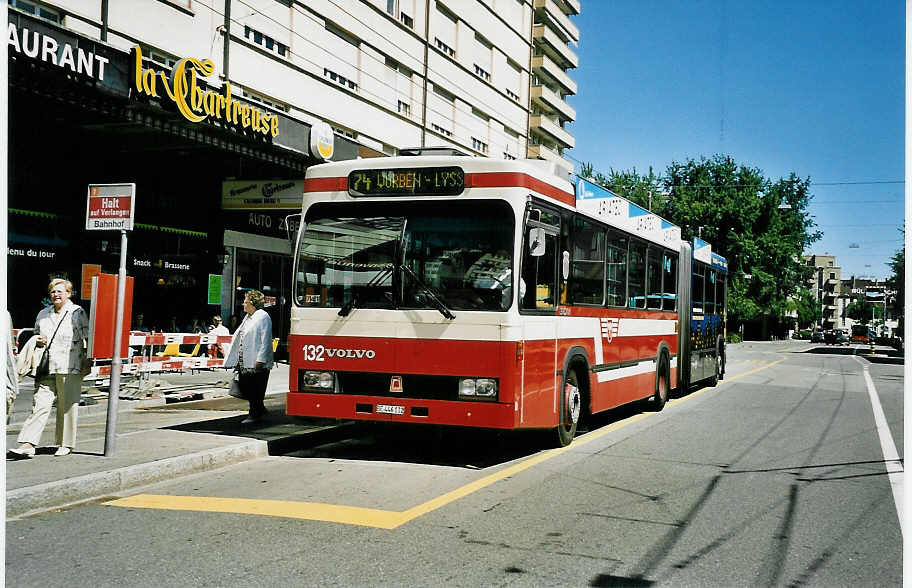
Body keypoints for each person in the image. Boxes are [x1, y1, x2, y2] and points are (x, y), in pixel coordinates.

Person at [9, 279, 90, 458]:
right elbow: (38, 332)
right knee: (39, 405)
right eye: (53, 292)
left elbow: (86, 338)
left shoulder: (77, 312)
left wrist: (87, 362)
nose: (56, 295)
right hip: (46, 365)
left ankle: (65, 443)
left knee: (66, 407)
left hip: (70, 366)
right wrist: (38, 339)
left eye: (60, 291)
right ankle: (27, 444)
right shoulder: (43, 313)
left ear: (69, 293)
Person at [223, 290, 273, 424]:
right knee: (249, 386)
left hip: (256, 361)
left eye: (245, 302)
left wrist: (261, 360)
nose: (243, 304)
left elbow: (266, 340)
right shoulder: (248, 317)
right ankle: (259, 409)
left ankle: (254, 414)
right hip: (245, 360)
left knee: (255, 389)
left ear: (253, 304)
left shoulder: (263, 317)